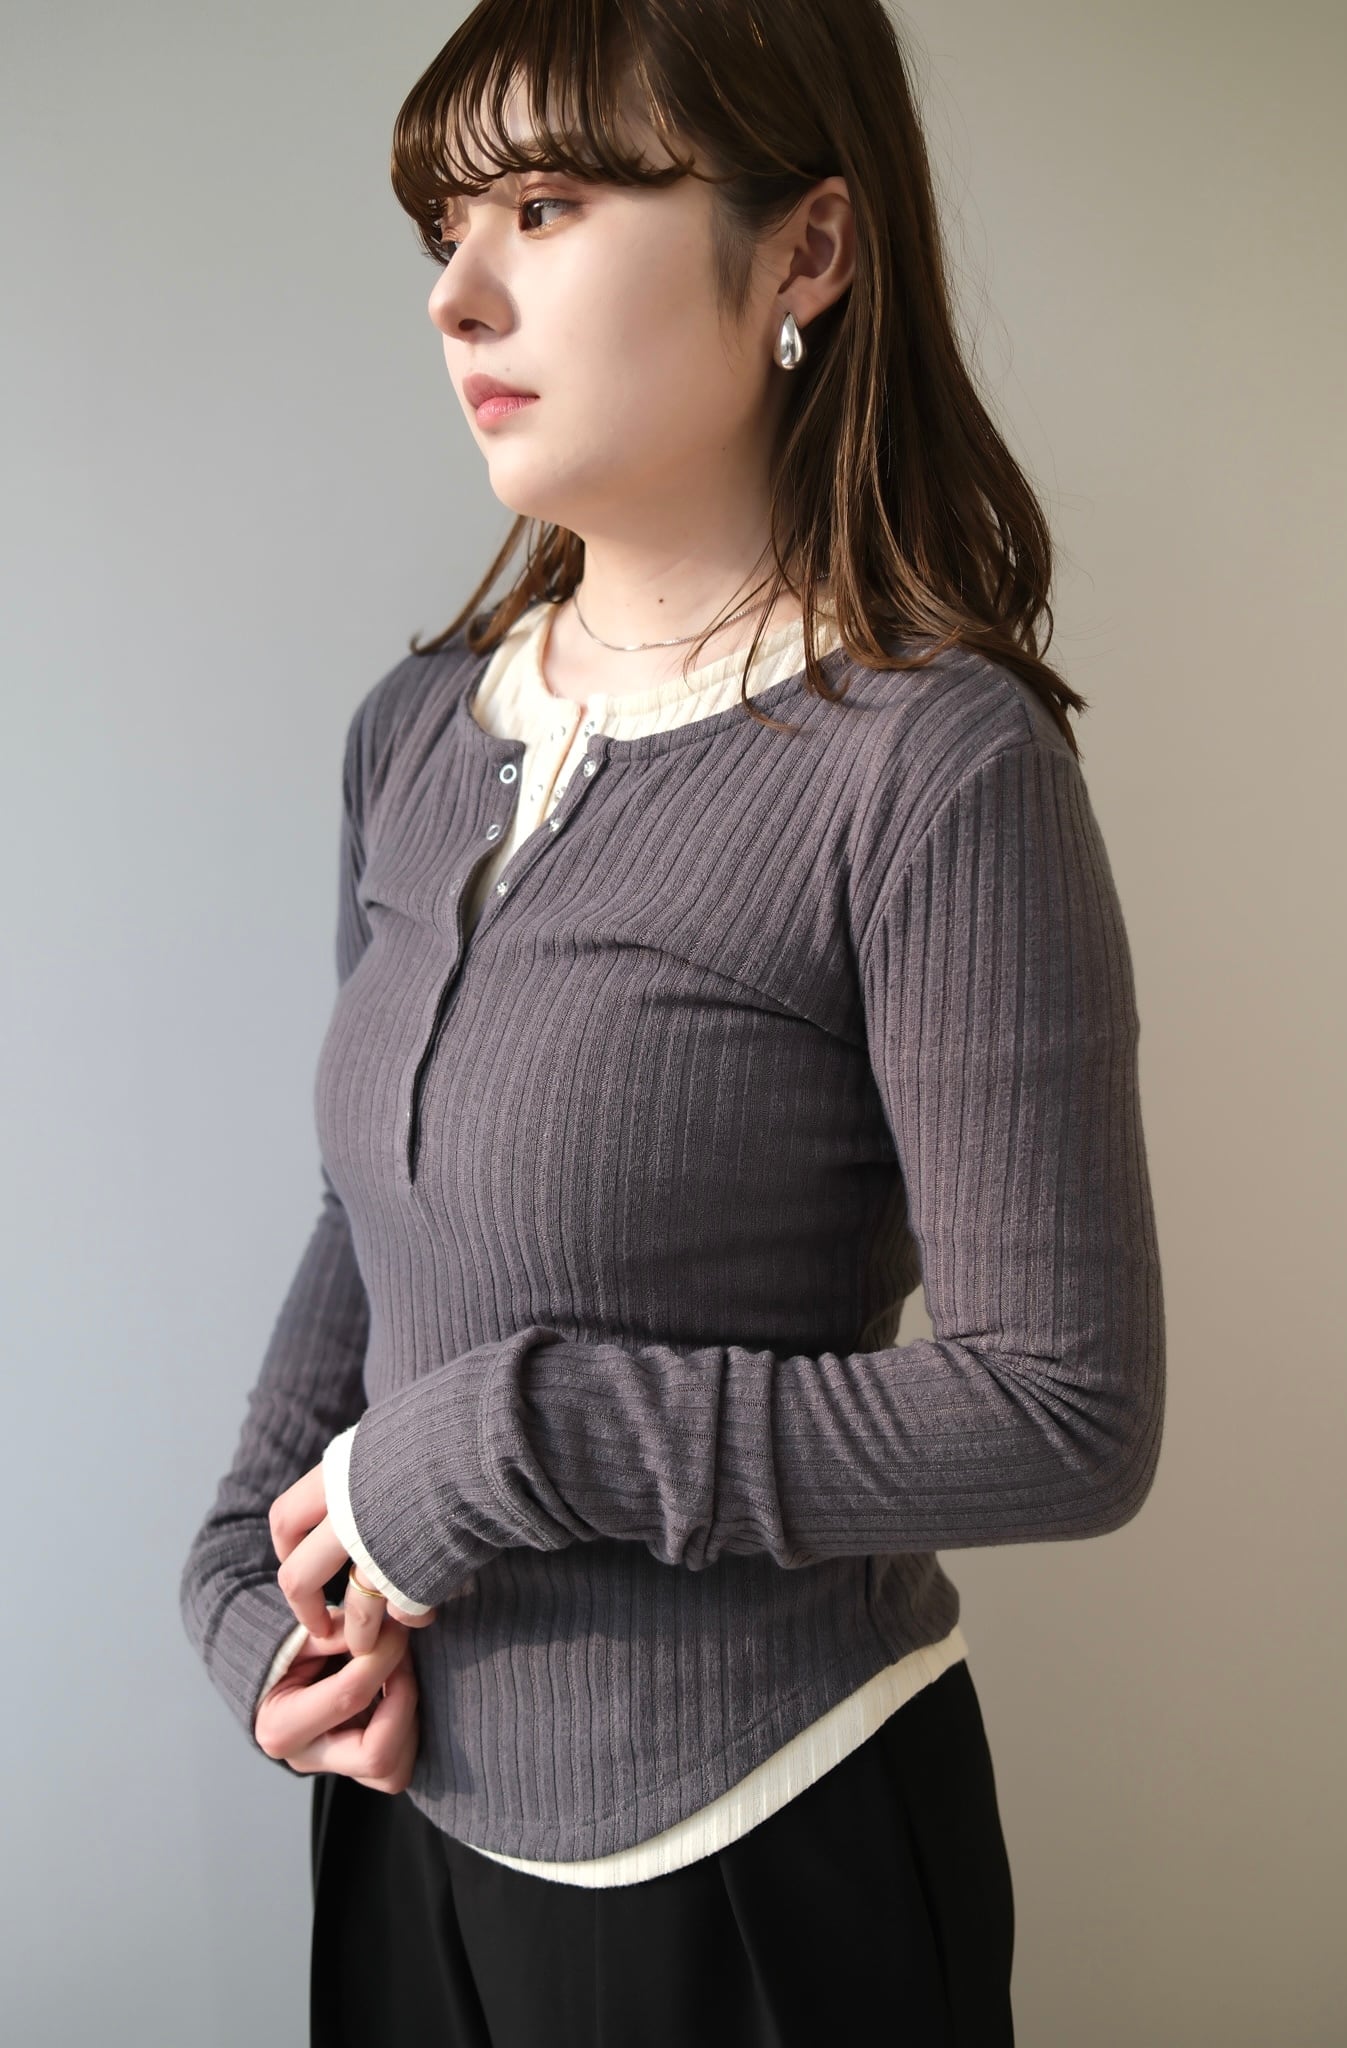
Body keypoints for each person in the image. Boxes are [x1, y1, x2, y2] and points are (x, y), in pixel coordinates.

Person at [179, 3, 1166, 2042]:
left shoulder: (931, 766)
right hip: (402, 1835)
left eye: (544, 206)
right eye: (444, 226)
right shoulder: (415, 733)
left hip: (759, 1865)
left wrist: (517, 1441)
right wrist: (241, 1580)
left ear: (805, 249)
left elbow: (1063, 1409)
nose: (457, 294)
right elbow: (373, 1211)